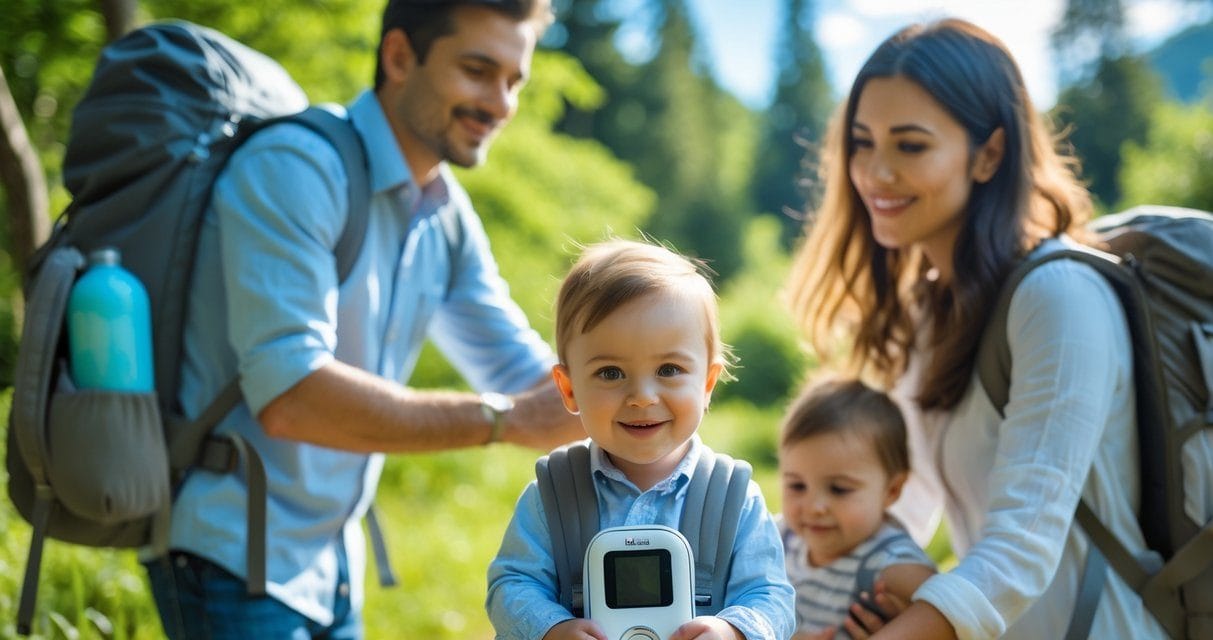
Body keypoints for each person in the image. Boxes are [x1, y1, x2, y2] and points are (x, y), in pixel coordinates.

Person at [142, 1, 586, 638]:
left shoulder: (446, 213)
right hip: (232, 558)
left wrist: (649, 401)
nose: (500, 103)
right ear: (400, 57)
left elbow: (528, 371)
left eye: (515, 81)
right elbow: (291, 397)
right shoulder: (296, 168)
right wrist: (505, 421)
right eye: (478, 70)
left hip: (333, 564)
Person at [784, 17, 1168, 640]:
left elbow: (1020, 546)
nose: (874, 173)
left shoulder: (1060, 296)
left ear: (989, 153)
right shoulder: (929, 310)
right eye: (862, 142)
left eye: (910, 145)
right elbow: (894, 504)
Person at [486, 239, 796, 640]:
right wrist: (552, 628)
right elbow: (511, 585)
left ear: (707, 383)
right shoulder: (553, 495)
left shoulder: (734, 498)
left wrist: (734, 630)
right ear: (568, 389)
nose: (642, 397)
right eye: (611, 373)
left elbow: (770, 595)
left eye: (668, 369)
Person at [776, 378, 934, 640]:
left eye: (839, 489)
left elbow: (953, 615)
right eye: (797, 485)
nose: (815, 507)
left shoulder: (890, 565)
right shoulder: (780, 538)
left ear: (891, 490)